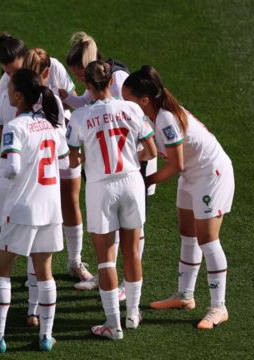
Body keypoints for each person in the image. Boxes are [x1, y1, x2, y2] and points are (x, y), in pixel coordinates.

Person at [122, 65, 234, 329]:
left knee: (208, 239)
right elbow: (150, 152)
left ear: (145, 100)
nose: (126, 105)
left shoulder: (165, 120)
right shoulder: (151, 115)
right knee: (187, 233)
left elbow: (176, 165)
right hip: (192, 175)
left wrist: (145, 181)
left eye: (129, 100)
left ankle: (219, 307)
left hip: (210, 175)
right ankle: (185, 296)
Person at [0, 69, 67, 354]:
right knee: (44, 272)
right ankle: (46, 337)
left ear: (19, 95)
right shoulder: (51, 126)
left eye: (10, 88)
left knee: (2, 269)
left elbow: (11, 167)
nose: (8, 93)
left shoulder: (15, 127)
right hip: (51, 209)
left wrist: (3, 172)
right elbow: (61, 161)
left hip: (22, 209)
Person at [66, 60, 157, 340]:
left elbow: (73, 159)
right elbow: (151, 151)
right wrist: (129, 159)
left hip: (100, 188)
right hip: (131, 183)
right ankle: (132, 313)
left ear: (89, 86)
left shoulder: (80, 116)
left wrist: (87, 160)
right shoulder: (131, 109)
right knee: (131, 251)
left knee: (106, 259)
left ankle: (112, 325)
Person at [59, 32, 153, 294]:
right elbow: (89, 104)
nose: (78, 79)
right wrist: (64, 97)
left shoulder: (119, 79)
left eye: (79, 76)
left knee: (132, 229)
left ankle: (125, 284)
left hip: (132, 158)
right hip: (114, 160)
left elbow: (127, 118)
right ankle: (109, 278)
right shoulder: (101, 81)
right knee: (114, 226)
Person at [0, 33, 43, 327]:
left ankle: (25, 312)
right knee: (18, 243)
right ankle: (3, 309)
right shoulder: (26, 88)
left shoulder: (27, 87)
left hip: (14, 176)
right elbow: (2, 130)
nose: (9, 78)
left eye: (13, 71)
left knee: (23, 245)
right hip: (32, 178)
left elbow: (4, 130)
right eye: (6, 72)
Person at [23, 47, 94, 284]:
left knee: (71, 201)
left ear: (46, 71)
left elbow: (73, 101)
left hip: (64, 144)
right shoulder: (17, 84)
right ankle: (35, 270)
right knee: (39, 204)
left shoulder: (56, 68)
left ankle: (75, 262)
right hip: (39, 151)